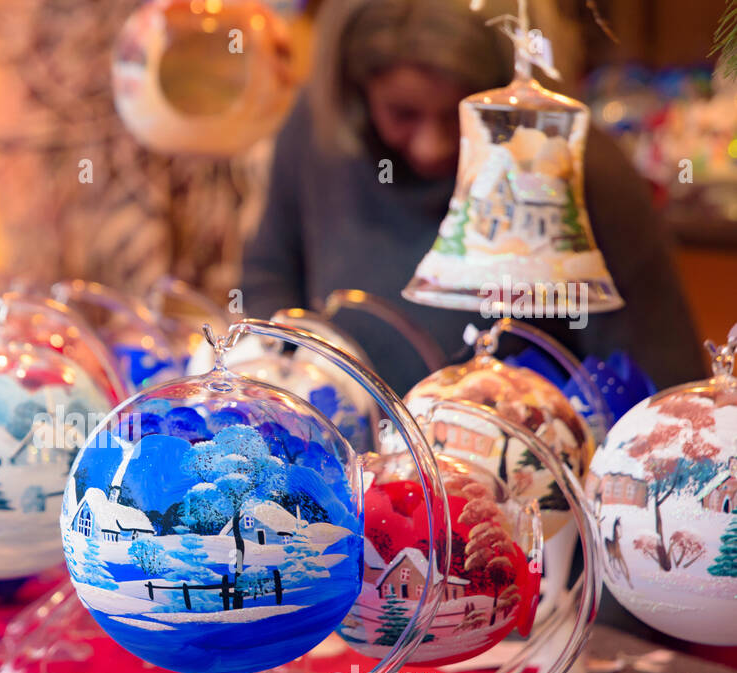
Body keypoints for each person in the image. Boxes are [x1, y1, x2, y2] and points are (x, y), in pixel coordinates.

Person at [241, 0, 709, 395]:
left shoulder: (582, 172)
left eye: (462, 116)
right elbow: (268, 278)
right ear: (358, 96)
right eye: (403, 113)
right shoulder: (317, 134)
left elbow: (658, 384)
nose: (433, 146)